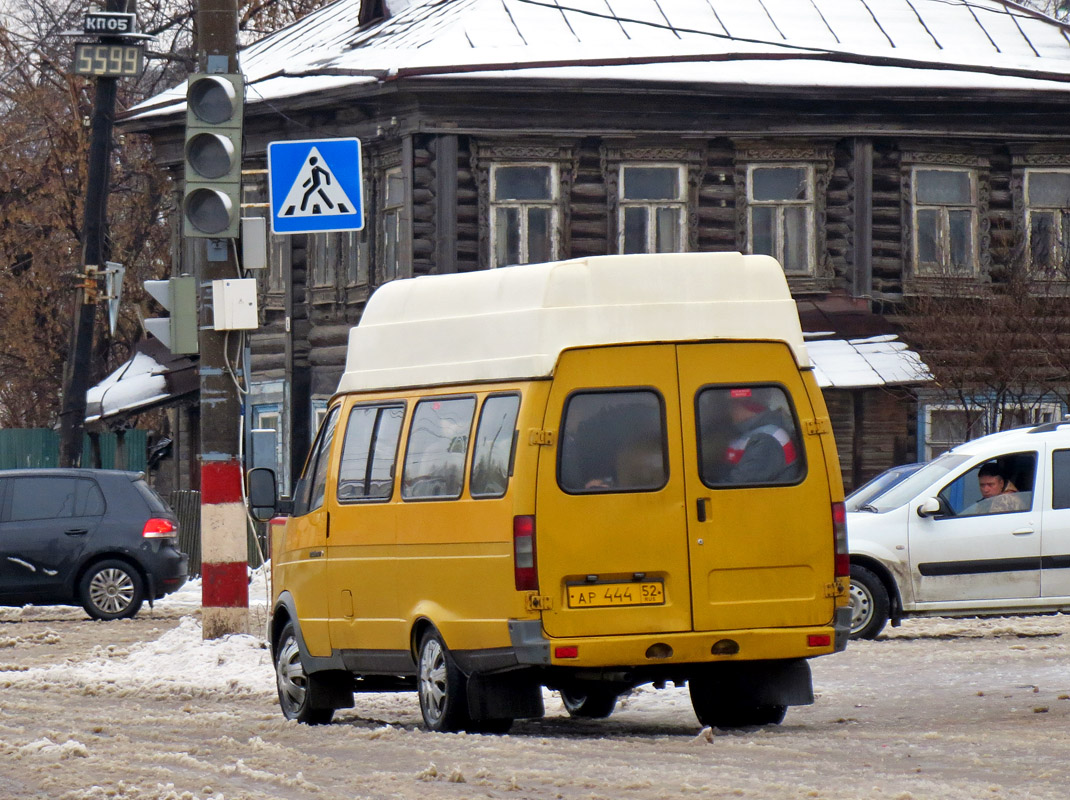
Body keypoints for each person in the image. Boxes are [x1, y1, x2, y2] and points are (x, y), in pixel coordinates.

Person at [723, 388, 800, 484]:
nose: (730, 411)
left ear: (749, 407)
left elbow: (739, 484)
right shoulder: (749, 432)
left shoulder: (765, 439)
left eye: (734, 406)